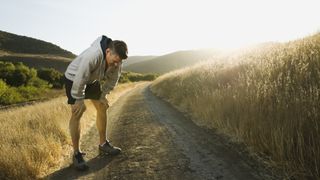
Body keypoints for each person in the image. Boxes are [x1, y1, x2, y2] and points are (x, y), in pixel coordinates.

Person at [63, 35, 128, 170]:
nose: (117, 64)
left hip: (92, 80)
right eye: (115, 61)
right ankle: (76, 154)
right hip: (74, 78)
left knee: (102, 106)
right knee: (78, 112)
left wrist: (103, 95)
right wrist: (79, 99)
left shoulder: (117, 59)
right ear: (108, 52)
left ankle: (103, 144)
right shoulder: (93, 55)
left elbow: (113, 80)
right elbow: (81, 77)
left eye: (119, 62)